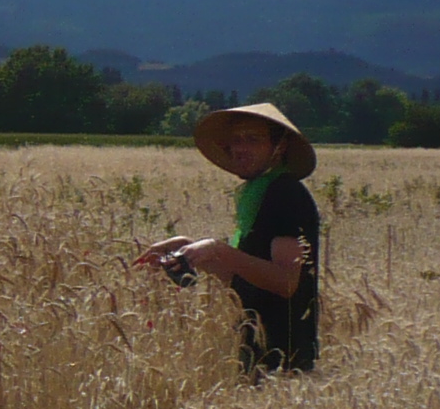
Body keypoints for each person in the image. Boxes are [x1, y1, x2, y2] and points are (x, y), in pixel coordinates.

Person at [131, 101, 318, 373]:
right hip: (256, 349)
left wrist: (218, 250)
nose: (240, 149)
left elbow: (286, 282)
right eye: (236, 141)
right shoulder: (260, 194)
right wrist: (189, 248)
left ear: (279, 147)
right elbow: (246, 276)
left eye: (253, 140)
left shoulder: (286, 195)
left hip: (284, 356)